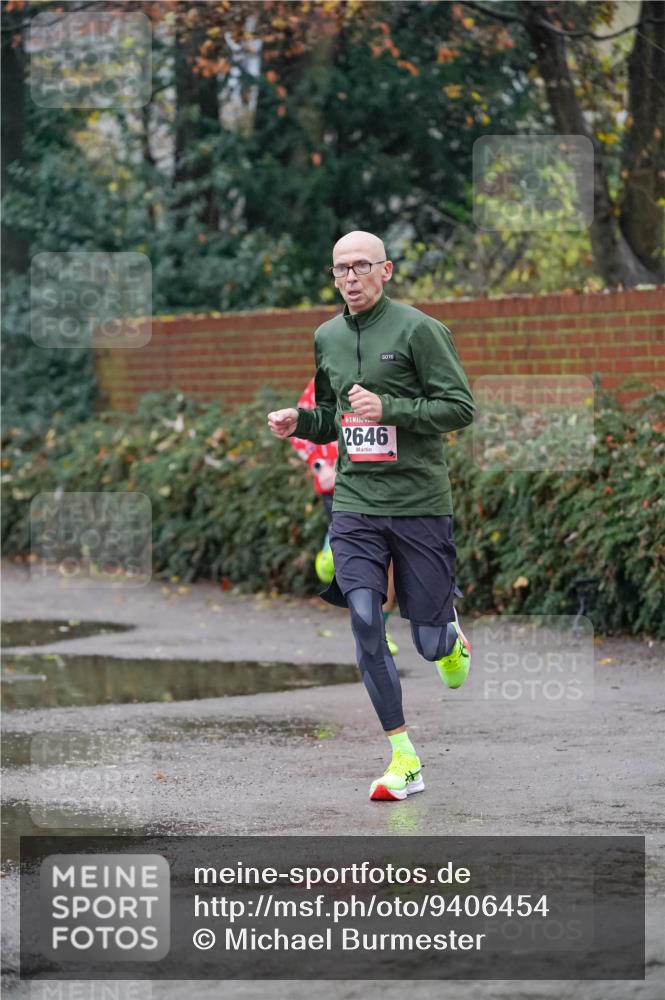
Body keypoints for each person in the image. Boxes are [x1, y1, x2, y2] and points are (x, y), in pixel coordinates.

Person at [268, 231, 474, 802]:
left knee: (427, 642)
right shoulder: (327, 336)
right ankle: (404, 758)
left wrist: (392, 409)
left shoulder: (420, 330)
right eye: (341, 269)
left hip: (418, 503)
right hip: (356, 503)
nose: (350, 278)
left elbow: (460, 407)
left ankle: (449, 638)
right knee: (364, 618)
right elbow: (331, 416)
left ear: (386, 270)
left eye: (361, 266)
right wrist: (300, 421)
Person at [290, 376, 400, 655]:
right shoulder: (325, 380)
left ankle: (379, 628)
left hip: (379, 482)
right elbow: (301, 430)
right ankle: (332, 550)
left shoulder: (386, 375)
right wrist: (319, 466)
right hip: (336, 486)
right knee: (360, 554)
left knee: (389, 555)